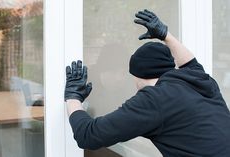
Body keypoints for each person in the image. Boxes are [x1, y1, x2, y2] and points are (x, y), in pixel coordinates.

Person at [64, 9, 230, 157]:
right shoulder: (199, 80)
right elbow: (190, 62)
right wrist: (166, 35)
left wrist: (73, 97)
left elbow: (88, 136)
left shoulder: (154, 99)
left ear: (137, 76)